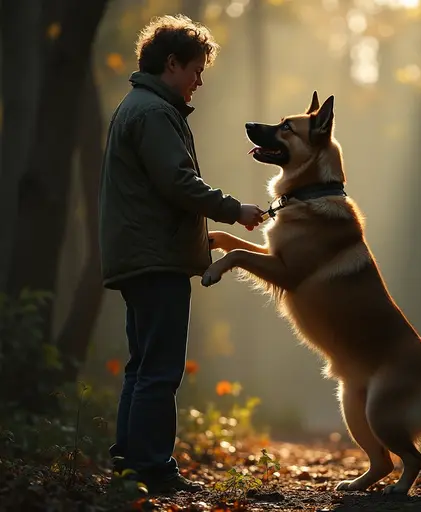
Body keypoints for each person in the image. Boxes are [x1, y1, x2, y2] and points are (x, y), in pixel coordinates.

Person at [98, 14, 262, 493]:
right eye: (195, 70)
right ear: (171, 63)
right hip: (155, 257)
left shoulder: (143, 106)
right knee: (161, 367)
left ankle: (131, 466)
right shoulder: (152, 113)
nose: (199, 82)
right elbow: (177, 182)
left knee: (142, 364)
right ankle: (153, 469)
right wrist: (235, 210)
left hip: (140, 254)